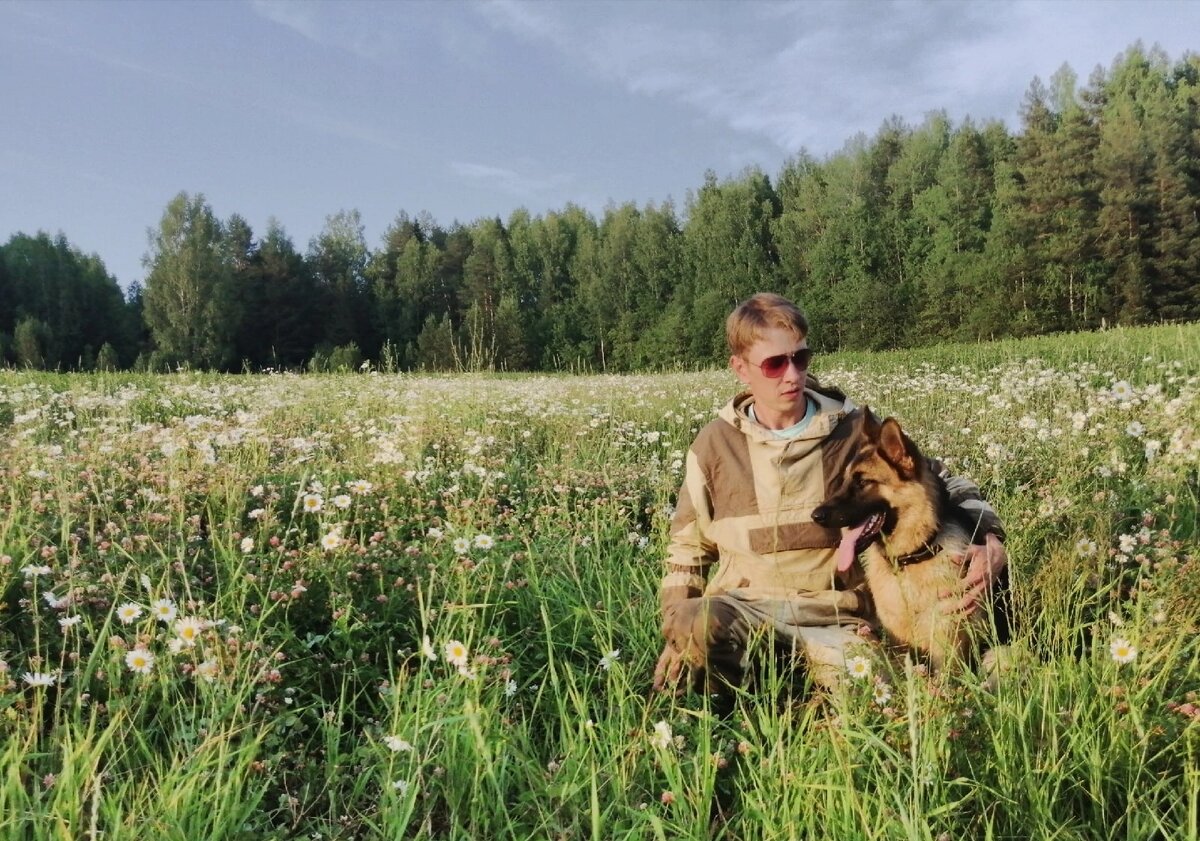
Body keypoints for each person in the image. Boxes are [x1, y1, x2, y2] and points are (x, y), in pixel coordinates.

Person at [652, 292, 1009, 695]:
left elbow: (940, 483)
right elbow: (686, 550)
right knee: (698, 631)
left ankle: (799, 695)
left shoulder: (852, 429)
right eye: (774, 364)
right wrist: (677, 633)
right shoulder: (714, 446)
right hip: (744, 609)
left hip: (836, 621)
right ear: (740, 369)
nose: (792, 375)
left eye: (800, 358)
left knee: (873, 691)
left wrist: (991, 539)